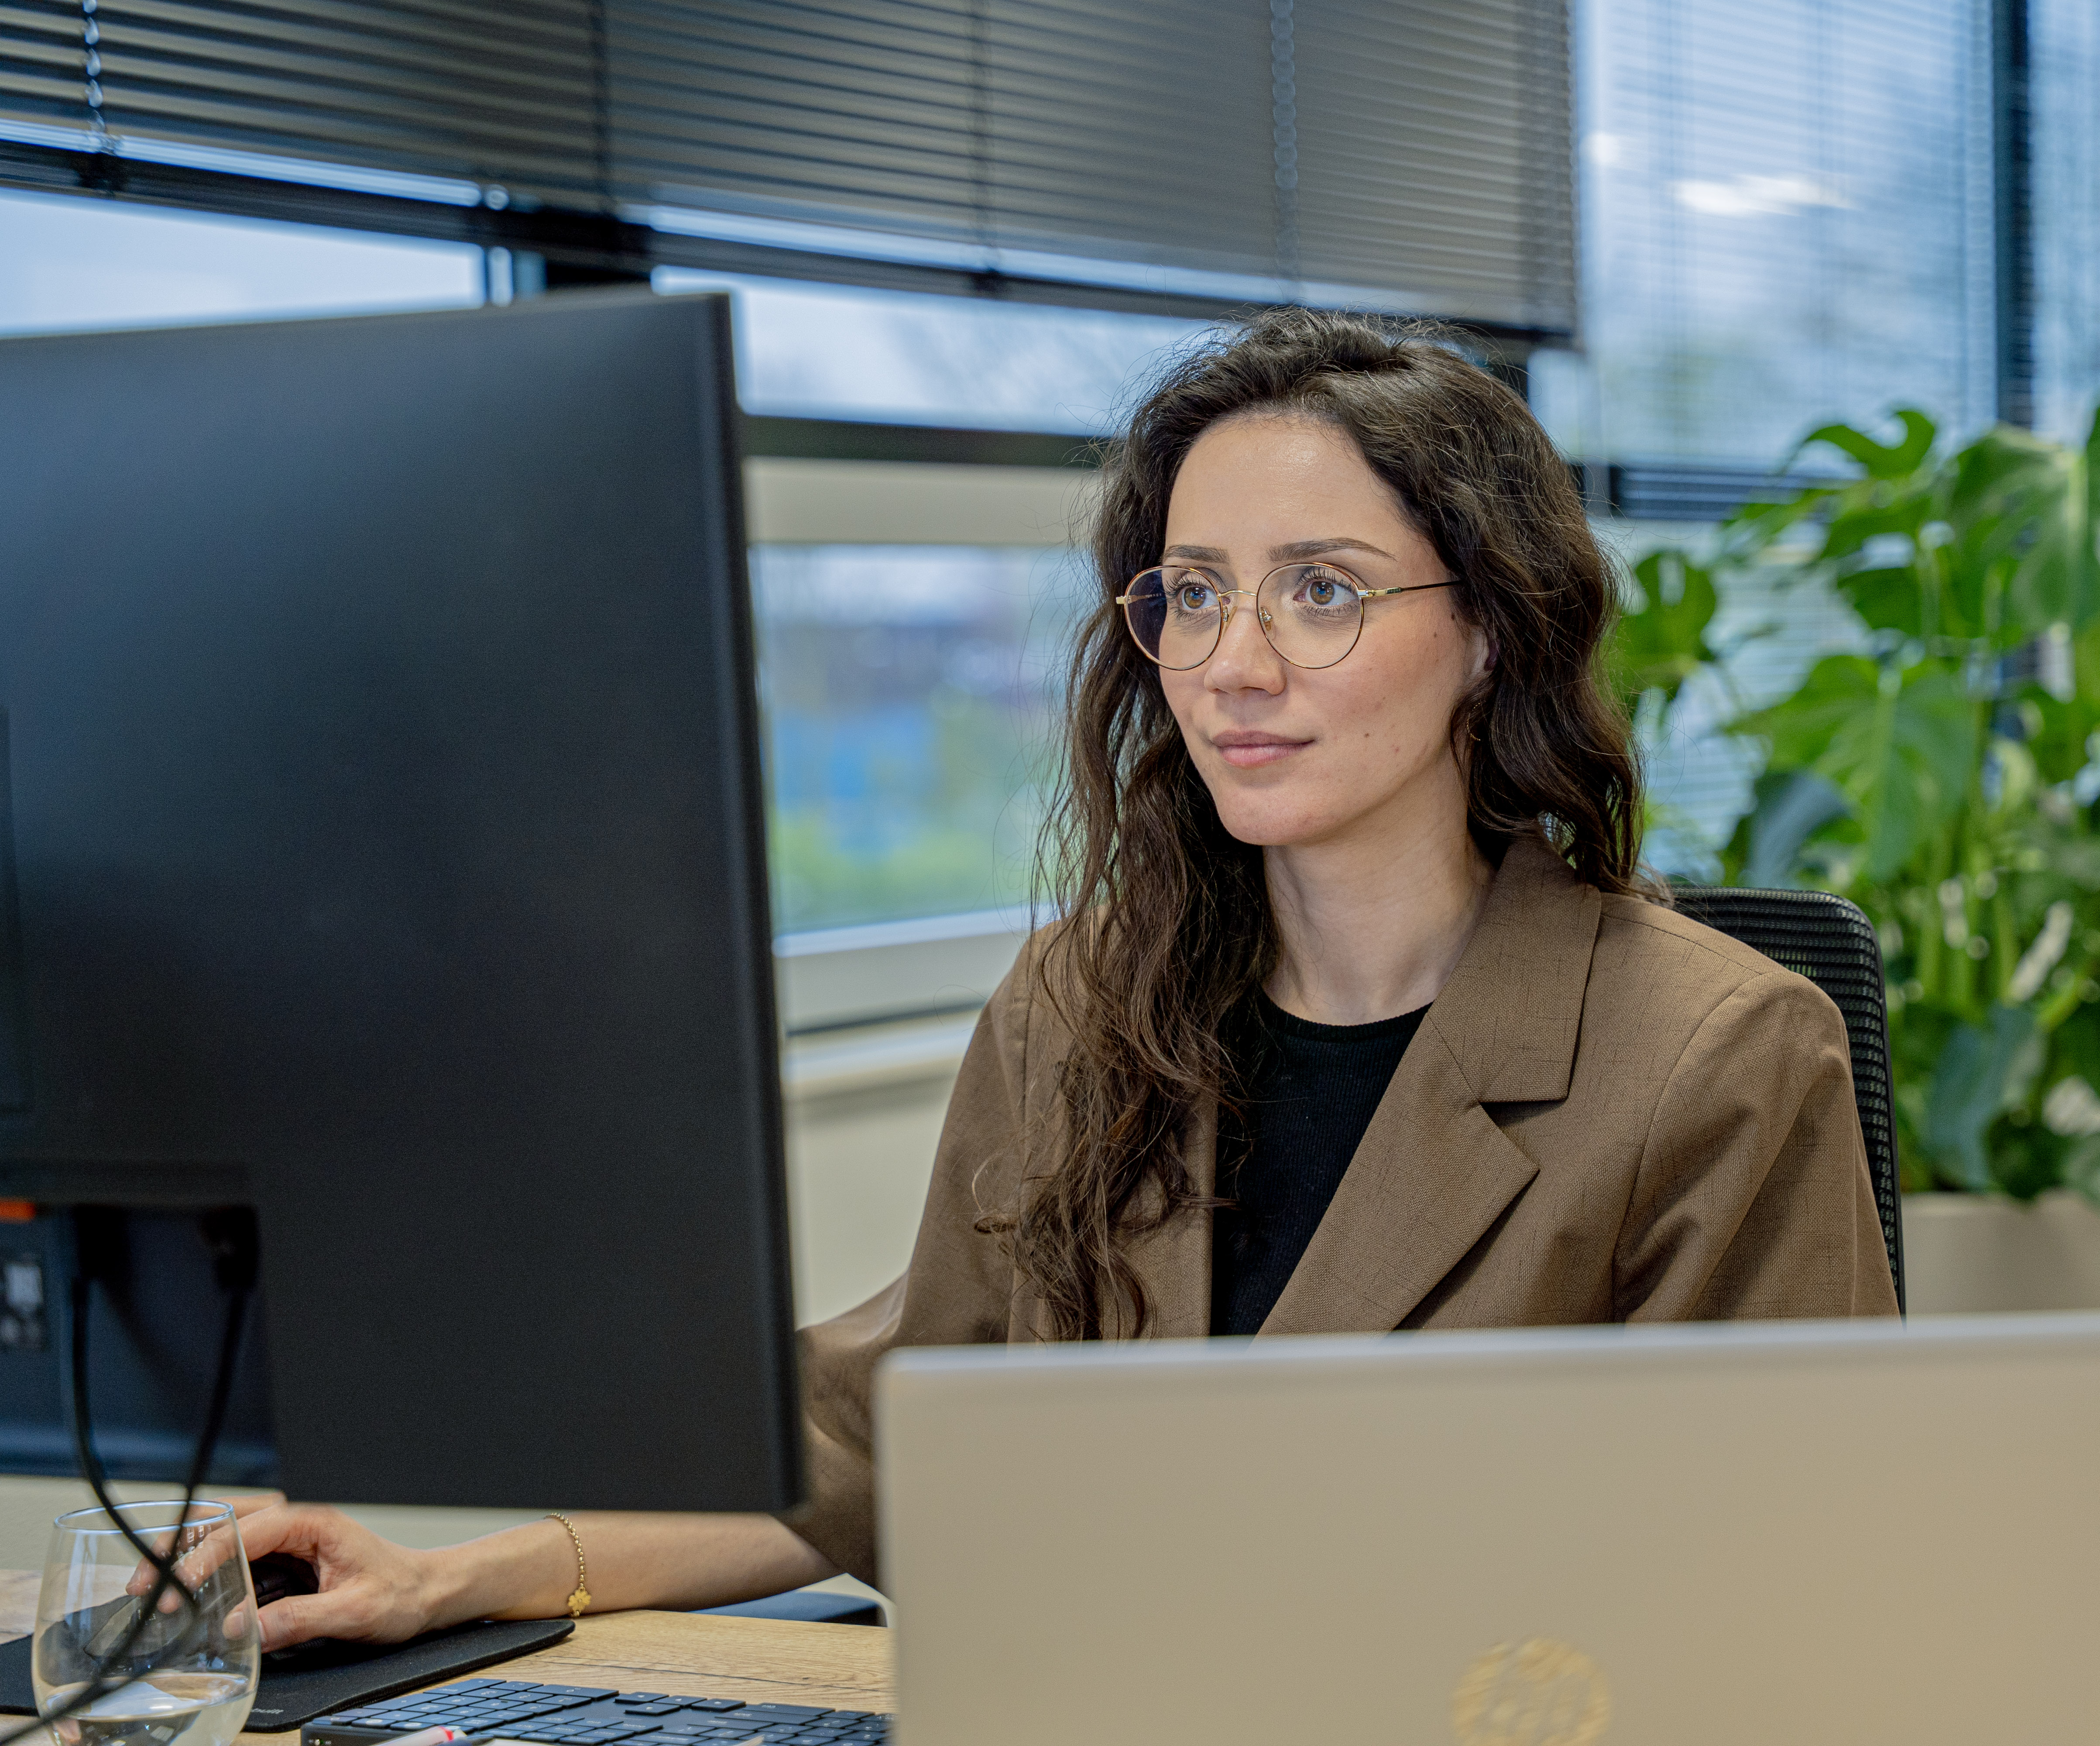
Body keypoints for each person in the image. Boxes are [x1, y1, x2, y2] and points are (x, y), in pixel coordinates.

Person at [233, 308, 1896, 1647]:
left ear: (1489, 629)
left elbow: (1785, 1594)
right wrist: (457, 1579)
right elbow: (892, 1430)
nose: (1236, 663)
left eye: (1322, 592)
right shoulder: (1088, 1002)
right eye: (1193, 594)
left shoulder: (1718, 1052)